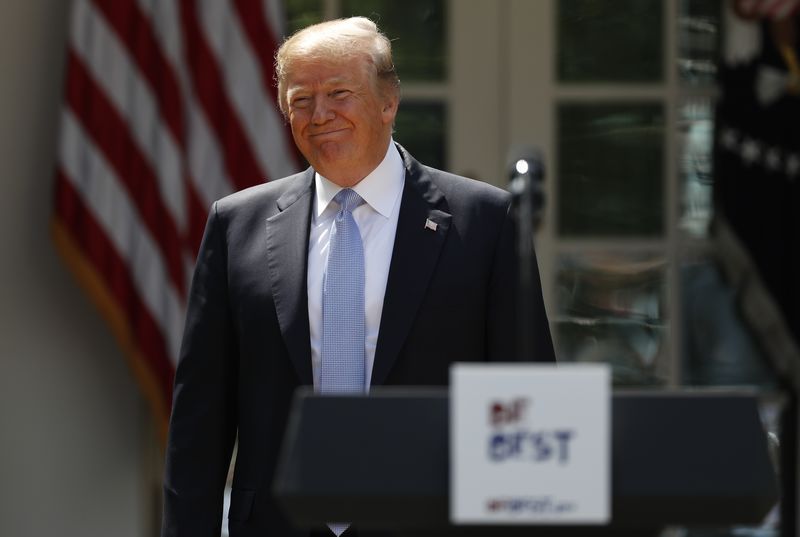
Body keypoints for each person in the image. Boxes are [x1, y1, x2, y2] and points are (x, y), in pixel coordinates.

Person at [162, 16, 555, 537]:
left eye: (339, 93)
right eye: (300, 100)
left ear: (388, 101)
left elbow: (527, 406)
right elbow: (200, 421)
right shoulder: (237, 225)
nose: (319, 114)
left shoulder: (484, 222)